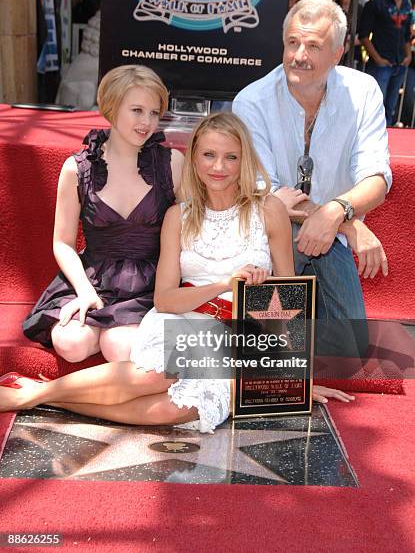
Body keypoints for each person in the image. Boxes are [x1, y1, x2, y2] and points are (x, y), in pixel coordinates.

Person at [1, 113, 354, 432]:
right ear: (194, 159)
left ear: (245, 159)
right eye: (209, 155)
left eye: (231, 156)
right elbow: (166, 299)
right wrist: (222, 285)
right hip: (184, 319)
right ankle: (29, 396)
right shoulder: (179, 216)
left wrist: (292, 378)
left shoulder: (269, 210)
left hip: (240, 338)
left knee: (176, 409)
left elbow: (288, 295)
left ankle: (40, 395)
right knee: (157, 374)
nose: (220, 166)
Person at [233, 0, 391, 360]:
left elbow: (377, 178)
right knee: (278, 347)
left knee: (351, 351)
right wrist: (348, 224)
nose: (298, 55)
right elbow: (268, 191)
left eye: (313, 46)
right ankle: (269, 351)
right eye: (292, 42)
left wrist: (335, 213)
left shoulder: (363, 92)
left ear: (338, 53)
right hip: (271, 235)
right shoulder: (251, 101)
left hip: (329, 234)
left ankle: (277, 340)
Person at [23, 64, 183, 363]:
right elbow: (63, 243)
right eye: (137, 110)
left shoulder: (172, 163)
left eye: (154, 112)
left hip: (149, 284)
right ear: (111, 107)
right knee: (70, 344)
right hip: (93, 278)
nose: (147, 122)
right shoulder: (77, 168)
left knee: (120, 348)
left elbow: (195, 226)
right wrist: (84, 291)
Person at [359, 0, 413, 125]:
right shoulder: (376, 2)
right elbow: (363, 36)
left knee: (390, 109)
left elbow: (406, 34)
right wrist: (378, 59)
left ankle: (388, 145)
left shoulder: (406, 3)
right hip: (380, 65)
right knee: (375, 109)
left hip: (399, 63)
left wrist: (408, 55)